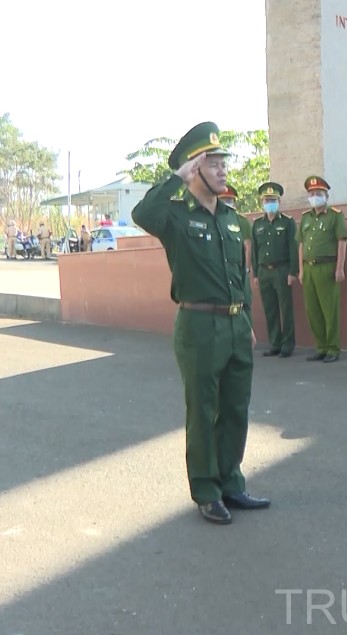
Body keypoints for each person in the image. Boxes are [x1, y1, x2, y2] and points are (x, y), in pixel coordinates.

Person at [131, 121, 269, 526]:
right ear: (194, 169)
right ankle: (207, 491)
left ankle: (232, 482)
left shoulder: (230, 218)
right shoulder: (175, 216)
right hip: (198, 326)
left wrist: (245, 319)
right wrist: (177, 177)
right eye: (213, 162)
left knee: (235, 408)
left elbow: (240, 275)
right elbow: (143, 212)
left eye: (224, 161)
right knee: (204, 410)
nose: (223, 169)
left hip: (234, 326)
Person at [297, 176, 347, 363]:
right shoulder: (305, 218)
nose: (314, 197)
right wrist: (301, 269)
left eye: (318, 194)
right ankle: (321, 346)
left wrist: (340, 268)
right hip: (309, 268)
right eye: (311, 194)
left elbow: (341, 242)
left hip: (327, 267)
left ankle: (333, 348)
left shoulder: (335, 215)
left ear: (326, 196)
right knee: (313, 310)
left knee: (329, 310)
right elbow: (301, 244)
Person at [252, 181, 298, 358]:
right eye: (267, 200)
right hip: (264, 271)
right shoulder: (257, 224)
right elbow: (255, 251)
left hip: (282, 270)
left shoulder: (287, 222)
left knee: (285, 309)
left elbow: (293, 248)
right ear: (262, 202)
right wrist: (256, 273)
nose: (270, 203)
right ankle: (275, 343)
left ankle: (288, 344)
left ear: (279, 202)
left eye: (273, 200)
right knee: (270, 309)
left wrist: (293, 272)